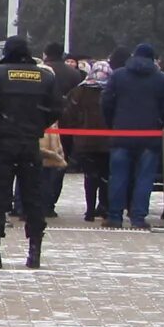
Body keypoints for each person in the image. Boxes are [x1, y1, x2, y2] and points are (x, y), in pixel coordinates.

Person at [0, 34, 65, 268]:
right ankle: (34, 251)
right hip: (30, 142)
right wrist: (36, 125)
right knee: (33, 196)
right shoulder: (43, 76)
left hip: (2, 142)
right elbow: (56, 108)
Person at [102, 43, 164, 228]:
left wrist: (112, 124)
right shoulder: (161, 79)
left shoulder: (119, 75)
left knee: (118, 175)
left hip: (122, 132)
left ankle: (115, 216)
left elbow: (106, 102)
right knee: (144, 178)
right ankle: (138, 216)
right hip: (150, 134)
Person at [64, 59, 107, 222]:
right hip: (106, 141)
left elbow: (69, 114)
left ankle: (89, 210)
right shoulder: (109, 91)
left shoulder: (79, 91)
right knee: (105, 176)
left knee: (90, 176)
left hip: (84, 140)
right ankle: (104, 206)